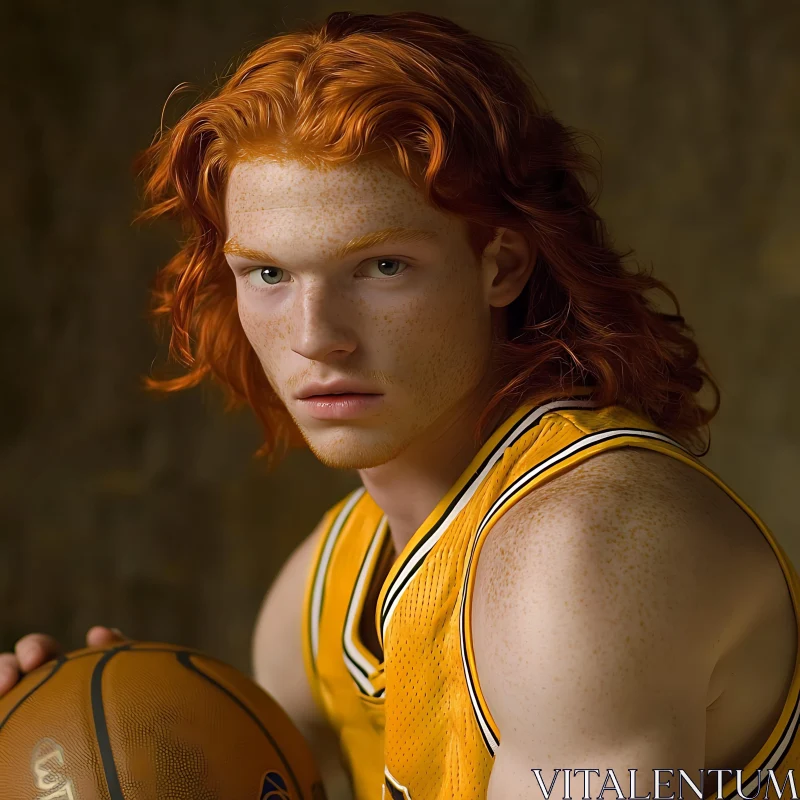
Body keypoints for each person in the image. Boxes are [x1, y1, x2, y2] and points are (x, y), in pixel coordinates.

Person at [2, 11, 797, 800]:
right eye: (270, 275)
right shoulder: (322, 589)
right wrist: (130, 741)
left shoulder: (579, 557)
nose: (317, 338)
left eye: (382, 265)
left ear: (502, 264)